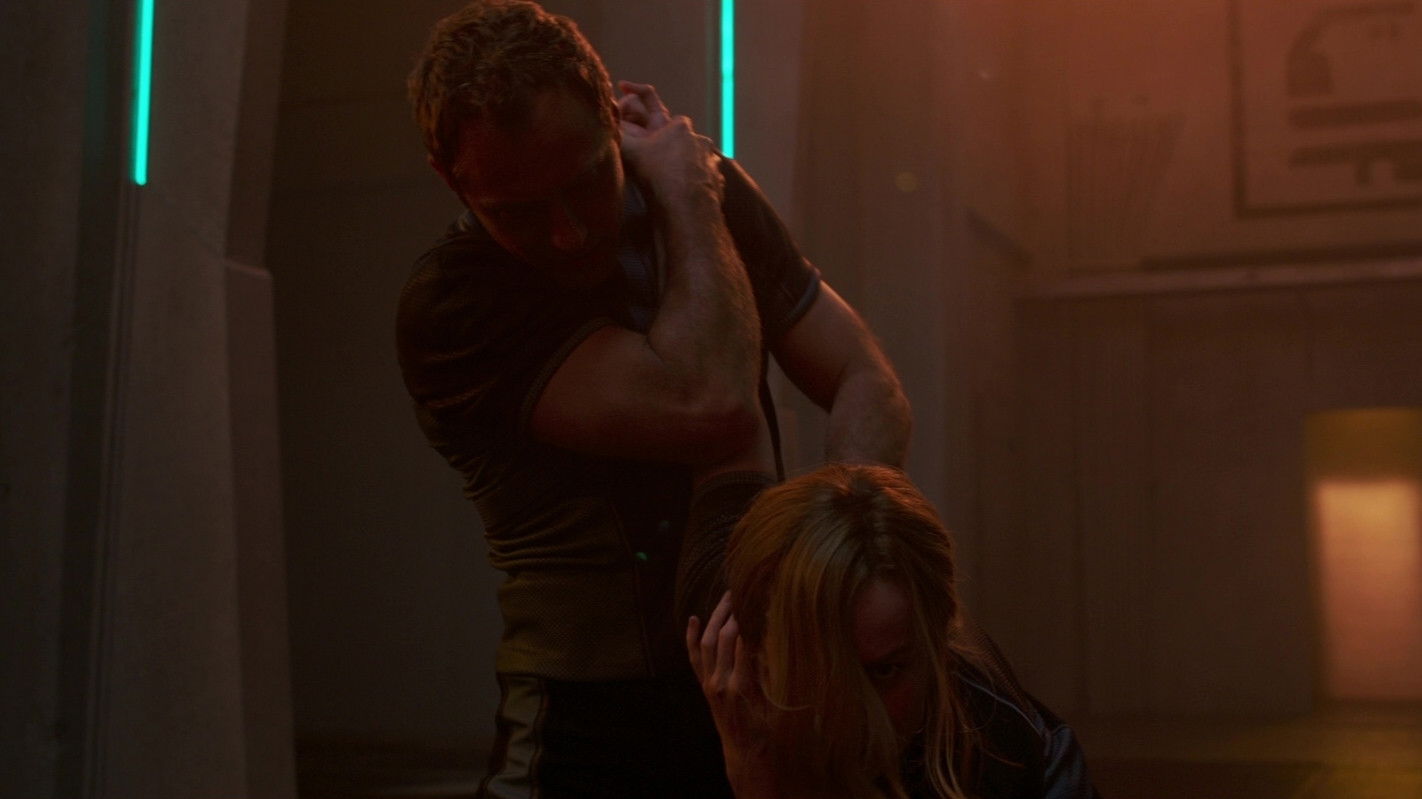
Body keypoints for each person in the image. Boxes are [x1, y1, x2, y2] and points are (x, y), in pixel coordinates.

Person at [396, 2, 911, 796]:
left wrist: (833, 557)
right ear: (449, 178)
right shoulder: (453, 304)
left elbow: (866, 378)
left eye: (585, 184)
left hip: (764, 684)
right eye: (518, 213)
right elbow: (712, 405)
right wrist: (688, 196)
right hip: (589, 720)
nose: (568, 233)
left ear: (614, 118)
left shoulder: (704, 188)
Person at [682, 464, 1099, 799]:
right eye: (821, 673)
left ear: (938, 646)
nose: (859, 716)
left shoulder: (1013, 758)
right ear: (756, 654)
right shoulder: (710, 709)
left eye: (885, 671)